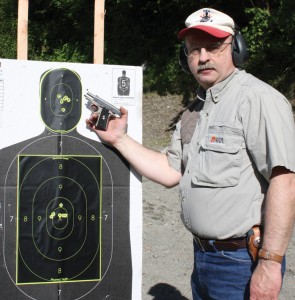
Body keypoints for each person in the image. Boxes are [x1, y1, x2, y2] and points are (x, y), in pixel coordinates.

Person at [86, 8, 295, 300]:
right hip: (204, 259)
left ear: (236, 49)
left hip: (242, 263)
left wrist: (270, 264)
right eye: (193, 50)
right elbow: (171, 171)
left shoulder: (259, 100)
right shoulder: (195, 111)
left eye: (213, 46)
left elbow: (284, 181)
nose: (203, 57)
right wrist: (118, 139)